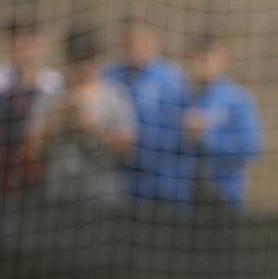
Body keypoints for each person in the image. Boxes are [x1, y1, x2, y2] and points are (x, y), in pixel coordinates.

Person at [27, 25, 136, 207]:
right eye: (76, 60)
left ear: (95, 59)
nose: (81, 66)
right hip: (59, 195)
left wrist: (93, 129)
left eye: (86, 59)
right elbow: (33, 150)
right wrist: (59, 115)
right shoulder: (50, 96)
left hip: (102, 196)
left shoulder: (115, 95)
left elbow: (127, 149)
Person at [104, 19, 192, 204]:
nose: (135, 49)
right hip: (123, 176)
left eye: (142, 43)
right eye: (130, 44)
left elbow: (182, 128)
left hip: (166, 176)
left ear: (154, 45)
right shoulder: (109, 76)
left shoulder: (172, 79)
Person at [183, 35, 262, 210]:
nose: (204, 64)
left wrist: (205, 136)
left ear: (223, 60)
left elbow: (250, 149)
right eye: (199, 59)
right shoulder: (181, 98)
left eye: (209, 58)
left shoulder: (237, 99)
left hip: (225, 197)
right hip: (184, 198)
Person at [0, 19, 62, 198]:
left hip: (39, 167)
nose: (25, 48)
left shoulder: (53, 82)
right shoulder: (3, 78)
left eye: (31, 41)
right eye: (19, 41)